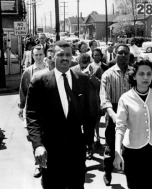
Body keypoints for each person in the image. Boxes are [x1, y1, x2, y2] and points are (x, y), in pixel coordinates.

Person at [25, 41, 92, 189]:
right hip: (50, 150)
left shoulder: (83, 79)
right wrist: (38, 145)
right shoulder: (39, 82)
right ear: (52, 57)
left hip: (76, 151)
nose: (65, 58)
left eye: (68, 54)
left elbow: (88, 112)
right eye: (60, 54)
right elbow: (31, 116)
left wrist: (88, 140)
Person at [113, 58, 152, 189]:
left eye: (149, 74)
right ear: (134, 76)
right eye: (141, 74)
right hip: (133, 151)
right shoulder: (125, 98)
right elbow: (120, 127)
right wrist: (117, 151)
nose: (146, 77)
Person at [100, 44, 132, 186]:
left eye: (126, 53)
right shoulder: (108, 74)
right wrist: (113, 115)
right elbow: (104, 98)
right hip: (113, 111)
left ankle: (130, 177)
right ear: (115, 54)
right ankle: (107, 172)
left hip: (132, 113)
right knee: (111, 147)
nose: (123, 55)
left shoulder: (134, 73)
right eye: (120, 53)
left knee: (130, 147)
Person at [18, 44, 48, 178]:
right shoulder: (28, 72)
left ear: (44, 55)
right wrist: (21, 107)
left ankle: (47, 163)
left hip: (48, 109)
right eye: (36, 55)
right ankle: (38, 164)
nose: (39, 57)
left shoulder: (50, 70)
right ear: (33, 56)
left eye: (41, 54)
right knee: (35, 137)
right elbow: (23, 90)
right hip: (34, 110)